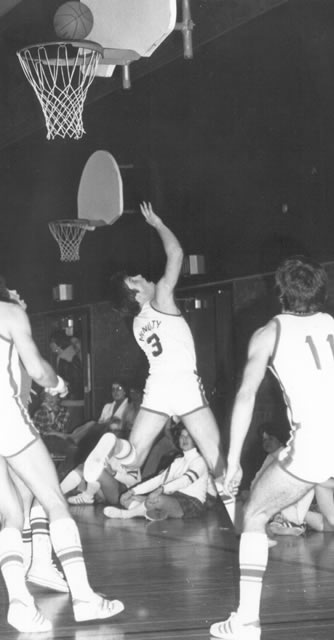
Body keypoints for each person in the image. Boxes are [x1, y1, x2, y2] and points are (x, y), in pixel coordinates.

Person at [0, 240, 124, 633]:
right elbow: (39, 371)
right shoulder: (9, 313)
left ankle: (20, 602)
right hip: (4, 418)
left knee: (10, 514)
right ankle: (84, 597)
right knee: (54, 502)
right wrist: (58, 384)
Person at [210, 255, 334, 640]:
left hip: (316, 442)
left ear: (279, 293)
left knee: (255, 515)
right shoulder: (331, 324)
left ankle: (246, 621)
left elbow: (246, 395)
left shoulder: (268, 333)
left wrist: (231, 462)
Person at [82, 202, 225, 503]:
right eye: (134, 280)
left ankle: (113, 445)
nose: (140, 276)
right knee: (213, 454)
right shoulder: (160, 298)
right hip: (183, 383)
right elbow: (176, 255)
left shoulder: (136, 323)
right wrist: (158, 224)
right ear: (135, 295)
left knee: (132, 458)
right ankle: (245, 526)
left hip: (157, 385)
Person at [102, 423, 209, 520]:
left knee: (157, 499)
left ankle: (126, 514)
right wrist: (132, 491)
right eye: (182, 435)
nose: (184, 439)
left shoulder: (200, 461)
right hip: (173, 497)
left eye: (189, 436)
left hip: (192, 502)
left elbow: (185, 481)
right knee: (126, 499)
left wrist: (160, 490)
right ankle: (149, 513)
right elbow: (159, 479)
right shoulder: (178, 461)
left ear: (196, 439)